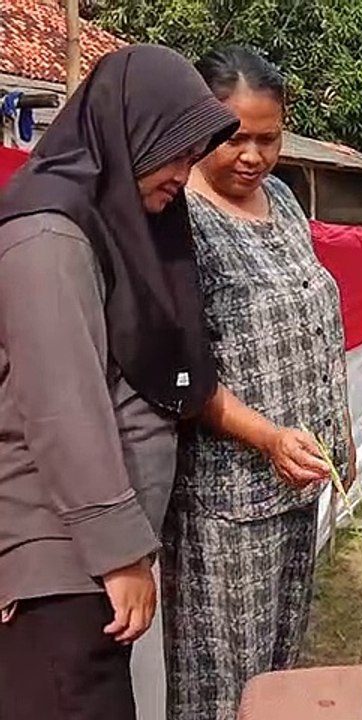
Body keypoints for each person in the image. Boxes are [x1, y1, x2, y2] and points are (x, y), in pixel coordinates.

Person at [0, 46, 238, 720]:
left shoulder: (105, 224)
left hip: (81, 561)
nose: (183, 175)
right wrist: (120, 554)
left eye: (193, 158)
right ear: (129, 131)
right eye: (174, 152)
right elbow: (62, 408)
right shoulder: (47, 233)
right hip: (56, 563)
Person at [161, 46, 355, 720]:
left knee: (278, 673)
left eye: (267, 138)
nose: (251, 155)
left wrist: (341, 432)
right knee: (224, 681)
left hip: (297, 484)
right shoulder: (178, 215)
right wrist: (268, 436)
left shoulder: (281, 198)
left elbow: (315, 318)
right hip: (226, 500)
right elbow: (182, 371)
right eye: (232, 136)